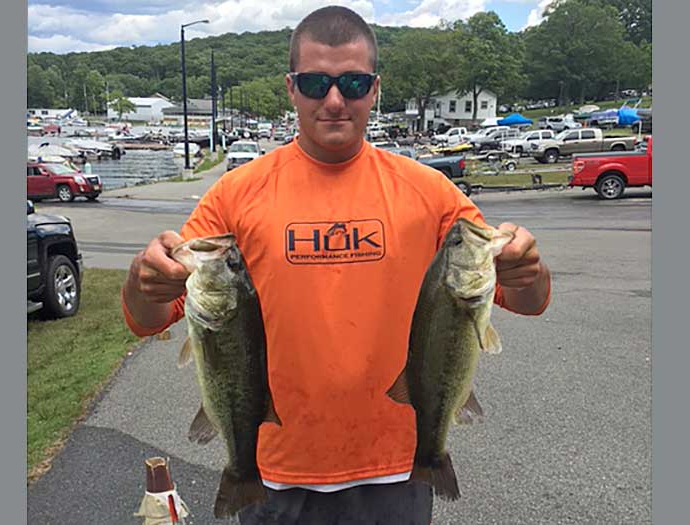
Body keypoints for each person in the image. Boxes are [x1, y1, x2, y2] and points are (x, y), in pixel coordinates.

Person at [121, 6, 551, 524]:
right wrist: (144, 281)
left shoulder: (430, 193)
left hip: (396, 468)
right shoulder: (235, 196)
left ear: (374, 89)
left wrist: (529, 269)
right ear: (290, 88)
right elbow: (149, 317)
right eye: (314, 82)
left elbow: (527, 300)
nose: (333, 100)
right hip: (277, 473)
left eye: (352, 82)